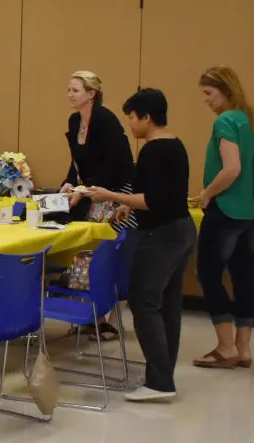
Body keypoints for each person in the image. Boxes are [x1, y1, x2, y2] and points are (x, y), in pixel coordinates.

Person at [88, 88, 194, 402]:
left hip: (162, 235)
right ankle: (161, 373)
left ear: (147, 117)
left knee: (144, 302)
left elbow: (152, 199)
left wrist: (111, 196)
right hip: (181, 230)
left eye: (132, 118)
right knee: (168, 305)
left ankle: (159, 382)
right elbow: (162, 195)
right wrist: (129, 206)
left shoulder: (153, 150)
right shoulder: (175, 145)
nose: (131, 125)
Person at [192, 66, 254, 369]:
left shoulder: (225, 121)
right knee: (244, 276)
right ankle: (243, 348)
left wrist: (207, 193)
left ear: (225, 90)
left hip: (227, 210)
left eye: (209, 94)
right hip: (253, 210)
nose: (206, 101)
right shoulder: (251, 119)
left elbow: (231, 168)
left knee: (208, 273)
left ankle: (225, 347)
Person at [58, 71, 136, 340]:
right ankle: (94, 315)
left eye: (76, 90)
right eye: (68, 90)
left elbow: (116, 162)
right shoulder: (74, 120)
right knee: (90, 251)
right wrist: (70, 183)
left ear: (91, 94)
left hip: (116, 191)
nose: (70, 95)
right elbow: (77, 161)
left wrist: (85, 188)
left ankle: (113, 320)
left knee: (111, 252)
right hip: (93, 190)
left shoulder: (105, 120)